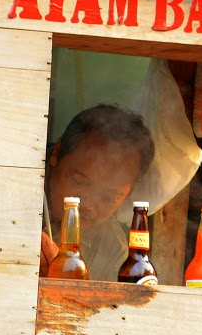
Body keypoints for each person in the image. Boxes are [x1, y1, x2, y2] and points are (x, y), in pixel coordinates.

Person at [39, 103, 156, 279]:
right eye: (79, 182)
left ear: (128, 193)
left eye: (108, 197)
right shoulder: (12, 191)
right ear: (56, 153)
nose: (88, 204)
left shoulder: (112, 249)